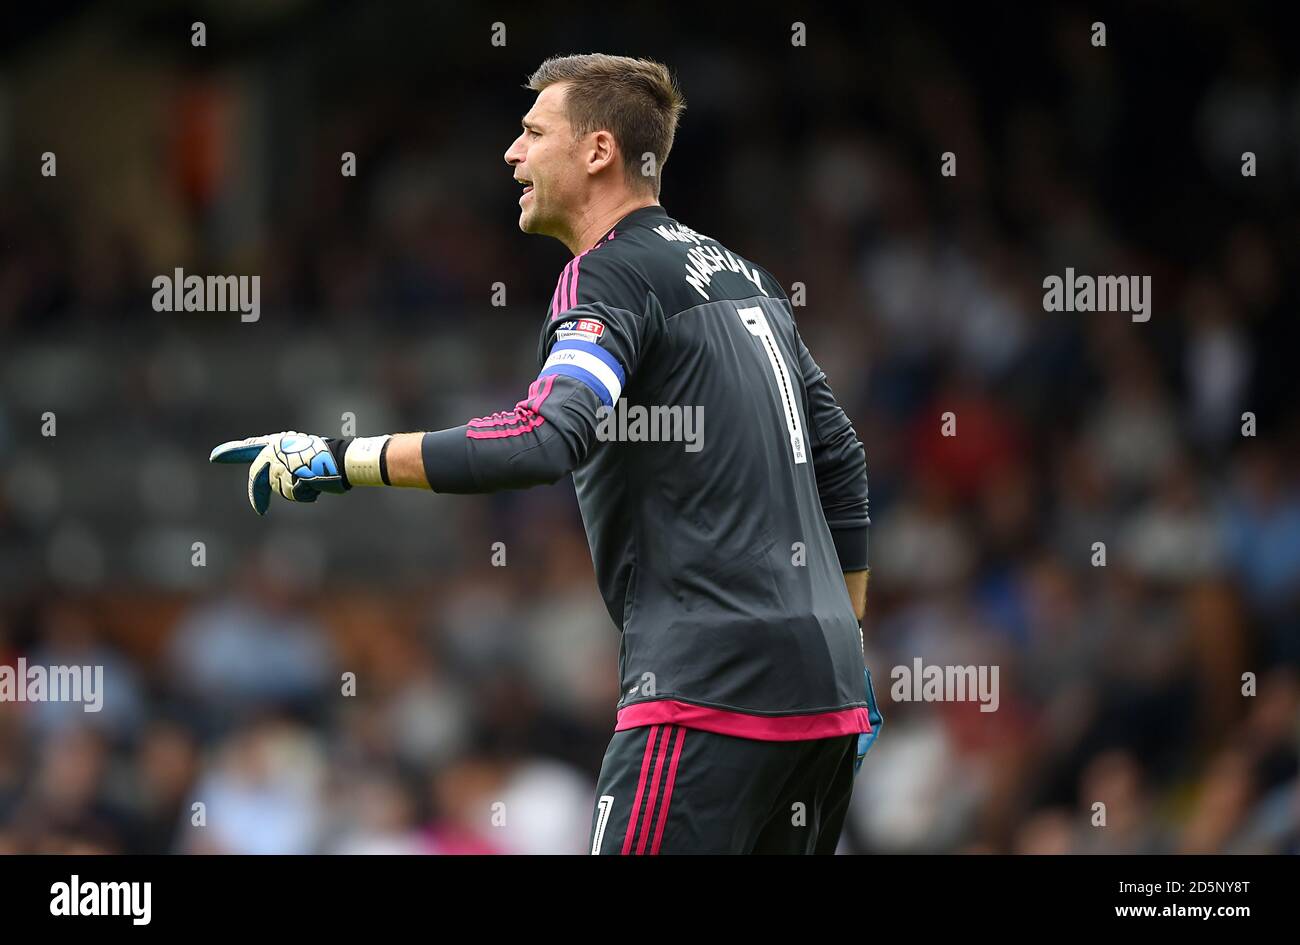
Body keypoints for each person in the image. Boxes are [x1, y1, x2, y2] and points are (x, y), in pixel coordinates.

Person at [211, 53, 880, 854]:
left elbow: (546, 434)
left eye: (532, 132)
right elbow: (839, 457)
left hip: (707, 689)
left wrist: (339, 457)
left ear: (598, 150)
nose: (511, 153)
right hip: (827, 698)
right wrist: (845, 634)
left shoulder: (607, 275)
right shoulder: (749, 278)